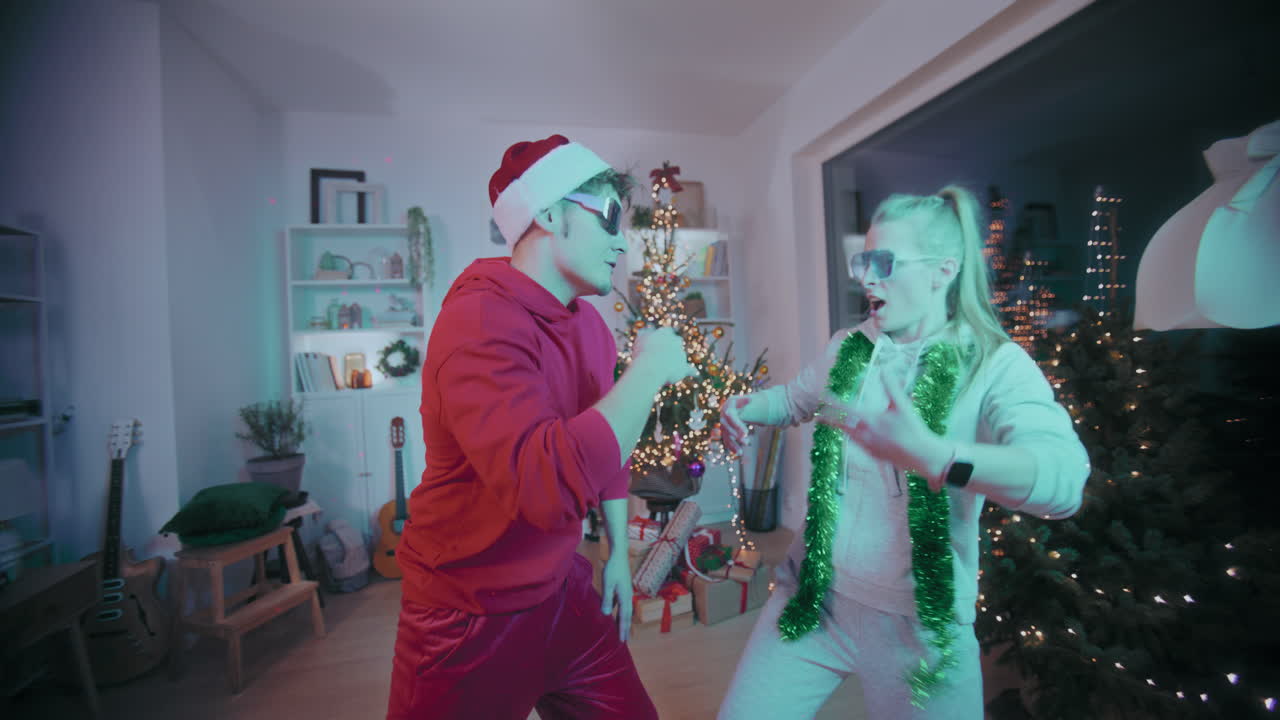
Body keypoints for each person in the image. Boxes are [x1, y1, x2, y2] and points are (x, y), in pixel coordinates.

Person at [715, 185, 1090, 719]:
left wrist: (934, 455)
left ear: (943, 269)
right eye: (863, 260)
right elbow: (796, 400)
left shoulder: (993, 364)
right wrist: (746, 406)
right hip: (813, 601)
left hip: (921, 631)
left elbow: (1064, 479)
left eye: (884, 262)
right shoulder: (850, 346)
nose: (867, 277)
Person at [387, 134, 695, 719]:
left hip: (562, 587)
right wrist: (650, 369)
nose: (621, 241)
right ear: (549, 213)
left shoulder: (591, 329)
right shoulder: (477, 321)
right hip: (467, 611)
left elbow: (609, 452)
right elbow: (544, 488)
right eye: (608, 217)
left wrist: (618, 559)